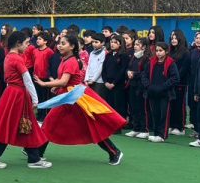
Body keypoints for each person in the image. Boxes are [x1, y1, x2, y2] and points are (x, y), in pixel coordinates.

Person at [34, 35, 125, 165]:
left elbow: (64, 81)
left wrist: (45, 84)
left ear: (72, 46)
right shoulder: (64, 59)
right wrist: (56, 86)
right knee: (52, 122)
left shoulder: (71, 61)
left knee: (88, 126)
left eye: (63, 43)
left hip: (75, 98)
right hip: (68, 97)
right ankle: (37, 152)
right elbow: (65, 82)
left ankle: (114, 152)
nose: (59, 45)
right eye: (59, 43)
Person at [0, 31, 49, 169]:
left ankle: (34, 158)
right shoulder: (17, 58)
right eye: (26, 43)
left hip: (14, 94)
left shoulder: (10, 57)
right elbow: (27, 79)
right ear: (18, 44)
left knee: (26, 125)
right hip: (17, 95)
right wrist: (35, 99)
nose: (28, 46)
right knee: (12, 125)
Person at [144, 42, 180, 142]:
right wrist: (148, 86)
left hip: (165, 94)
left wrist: (162, 87)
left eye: (161, 51)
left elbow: (175, 78)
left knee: (163, 114)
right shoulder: (151, 62)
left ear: (166, 51)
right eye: (157, 51)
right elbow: (144, 75)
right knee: (154, 114)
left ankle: (162, 135)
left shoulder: (171, 63)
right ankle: (155, 133)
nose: (158, 53)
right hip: (152, 92)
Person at [124, 37, 150, 138]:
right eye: (135, 44)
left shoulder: (147, 58)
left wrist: (134, 74)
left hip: (142, 86)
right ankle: (136, 128)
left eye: (138, 45)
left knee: (142, 108)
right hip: (132, 85)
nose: (135, 46)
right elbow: (128, 68)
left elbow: (145, 73)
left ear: (143, 47)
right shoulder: (133, 57)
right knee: (133, 107)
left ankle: (144, 129)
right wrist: (128, 72)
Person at [168, 30, 191, 136]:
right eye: (172, 38)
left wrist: (175, 79)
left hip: (180, 83)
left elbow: (184, 69)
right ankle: (172, 125)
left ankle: (180, 126)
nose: (173, 40)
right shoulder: (169, 52)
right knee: (171, 104)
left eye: (175, 38)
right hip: (170, 83)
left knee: (179, 105)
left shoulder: (186, 52)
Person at [99, 35, 128, 118]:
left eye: (115, 42)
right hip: (107, 84)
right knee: (109, 105)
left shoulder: (123, 56)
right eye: (111, 42)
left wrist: (114, 83)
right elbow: (104, 69)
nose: (112, 44)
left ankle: (119, 125)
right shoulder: (108, 55)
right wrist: (105, 82)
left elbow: (122, 71)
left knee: (118, 105)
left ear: (120, 44)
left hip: (118, 85)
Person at [185, 31, 200, 135]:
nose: (198, 40)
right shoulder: (192, 51)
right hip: (192, 82)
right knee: (192, 104)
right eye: (197, 38)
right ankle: (196, 128)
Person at [32, 32, 55, 121]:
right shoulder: (35, 51)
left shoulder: (49, 52)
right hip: (36, 78)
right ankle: (39, 113)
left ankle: (45, 115)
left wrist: (49, 77)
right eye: (37, 39)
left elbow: (51, 65)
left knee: (46, 97)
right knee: (38, 97)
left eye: (40, 39)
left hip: (45, 79)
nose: (37, 40)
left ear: (45, 41)